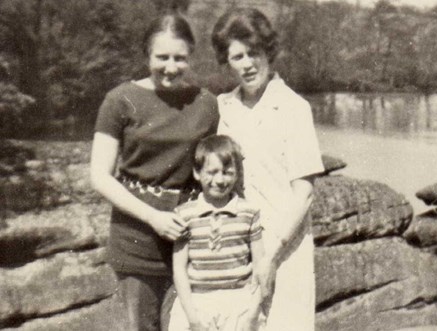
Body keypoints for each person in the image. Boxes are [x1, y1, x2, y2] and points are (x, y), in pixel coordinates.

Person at [90, 13, 219, 331]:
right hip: (137, 240)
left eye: (180, 58)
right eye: (162, 57)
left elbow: (217, 168)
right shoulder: (119, 100)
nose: (171, 67)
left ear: (191, 56)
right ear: (146, 55)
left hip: (190, 241)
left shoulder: (206, 104)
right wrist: (153, 217)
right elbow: (99, 175)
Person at [211, 8, 325, 331]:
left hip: (285, 247)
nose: (247, 64)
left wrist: (271, 256)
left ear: (268, 52)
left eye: (254, 53)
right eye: (237, 57)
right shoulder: (223, 108)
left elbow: (303, 194)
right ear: (227, 60)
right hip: (236, 247)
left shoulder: (294, 108)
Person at [168, 134, 267, 331]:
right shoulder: (185, 214)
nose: (219, 180)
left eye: (227, 172)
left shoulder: (249, 212)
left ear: (237, 173)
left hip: (239, 302)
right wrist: (192, 318)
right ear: (197, 173)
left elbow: (260, 267)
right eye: (211, 172)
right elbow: (179, 269)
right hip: (197, 303)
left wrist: (253, 313)